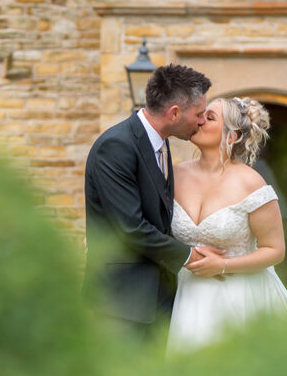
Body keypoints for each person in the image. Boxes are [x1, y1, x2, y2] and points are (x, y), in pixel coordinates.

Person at [83, 64, 223, 342]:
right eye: (198, 114)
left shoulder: (161, 143)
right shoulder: (116, 146)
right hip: (121, 303)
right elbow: (131, 228)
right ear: (174, 113)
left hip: (160, 297)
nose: (200, 122)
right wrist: (190, 256)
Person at [166, 96, 287, 354]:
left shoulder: (251, 183)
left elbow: (275, 250)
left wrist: (223, 265)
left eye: (210, 117)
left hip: (240, 297)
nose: (199, 120)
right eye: (201, 115)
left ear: (232, 136)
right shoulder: (173, 175)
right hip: (185, 296)